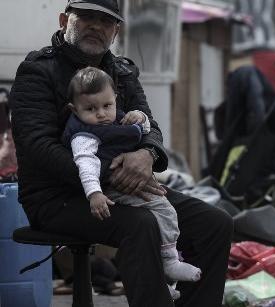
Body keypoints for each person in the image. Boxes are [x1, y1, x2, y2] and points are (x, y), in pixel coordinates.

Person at [8, 1, 233, 306]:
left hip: (125, 189)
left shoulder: (122, 72)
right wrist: (114, 173)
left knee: (214, 222)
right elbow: (39, 148)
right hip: (56, 197)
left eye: (106, 21)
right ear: (64, 20)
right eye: (86, 17)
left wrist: (147, 156)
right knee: (141, 223)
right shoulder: (37, 71)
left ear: (115, 32)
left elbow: (149, 126)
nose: (96, 26)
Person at [63, 67, 201, 298]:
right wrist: (94, 194)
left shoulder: (118, 116)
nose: (100, 114)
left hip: (134, 183)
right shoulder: (83, 135)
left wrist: (141, 118)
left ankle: (165, 280)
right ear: (73, 109)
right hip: (109, 190)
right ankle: (167, 265)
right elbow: (86, 166)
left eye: (107, 105)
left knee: (168, 216)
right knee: (158, 215)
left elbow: (147, 130)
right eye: (90, 108)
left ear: (115, 99)